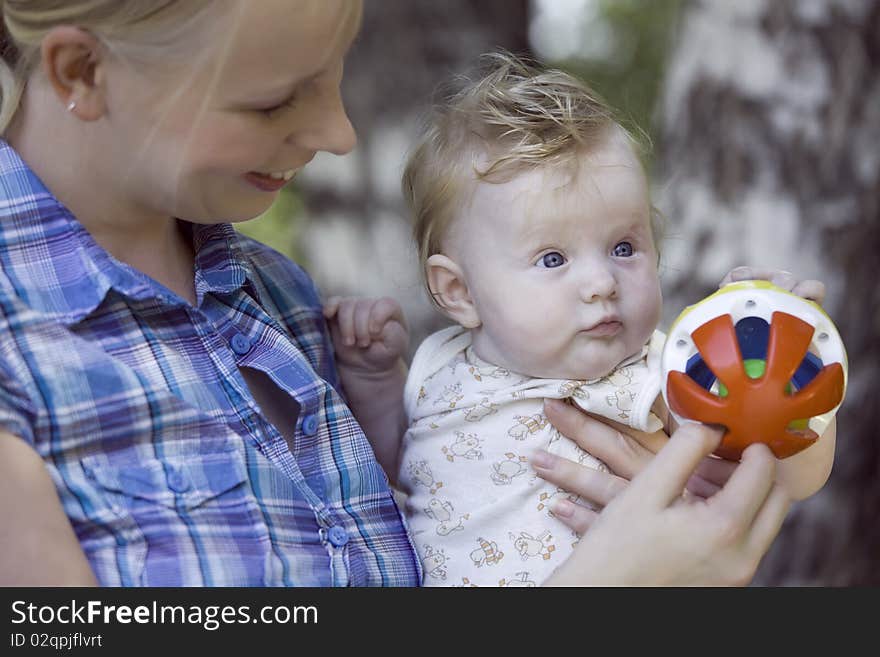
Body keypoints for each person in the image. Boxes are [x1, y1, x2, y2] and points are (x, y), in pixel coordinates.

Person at [0, 1, 792, 588]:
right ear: (83, 72)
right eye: (274, 98)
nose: (339, 131)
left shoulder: (273, 298)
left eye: (335, 74)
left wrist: (786, 375)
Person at [324, 53, 835, 586]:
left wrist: (789, 369)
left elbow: (786, 475)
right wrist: (376, 379)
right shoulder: (438, 364)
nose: (602, 282)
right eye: (553, 259)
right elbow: (393, 461)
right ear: (459, 291)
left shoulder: (649, 373)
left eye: (623, 246)